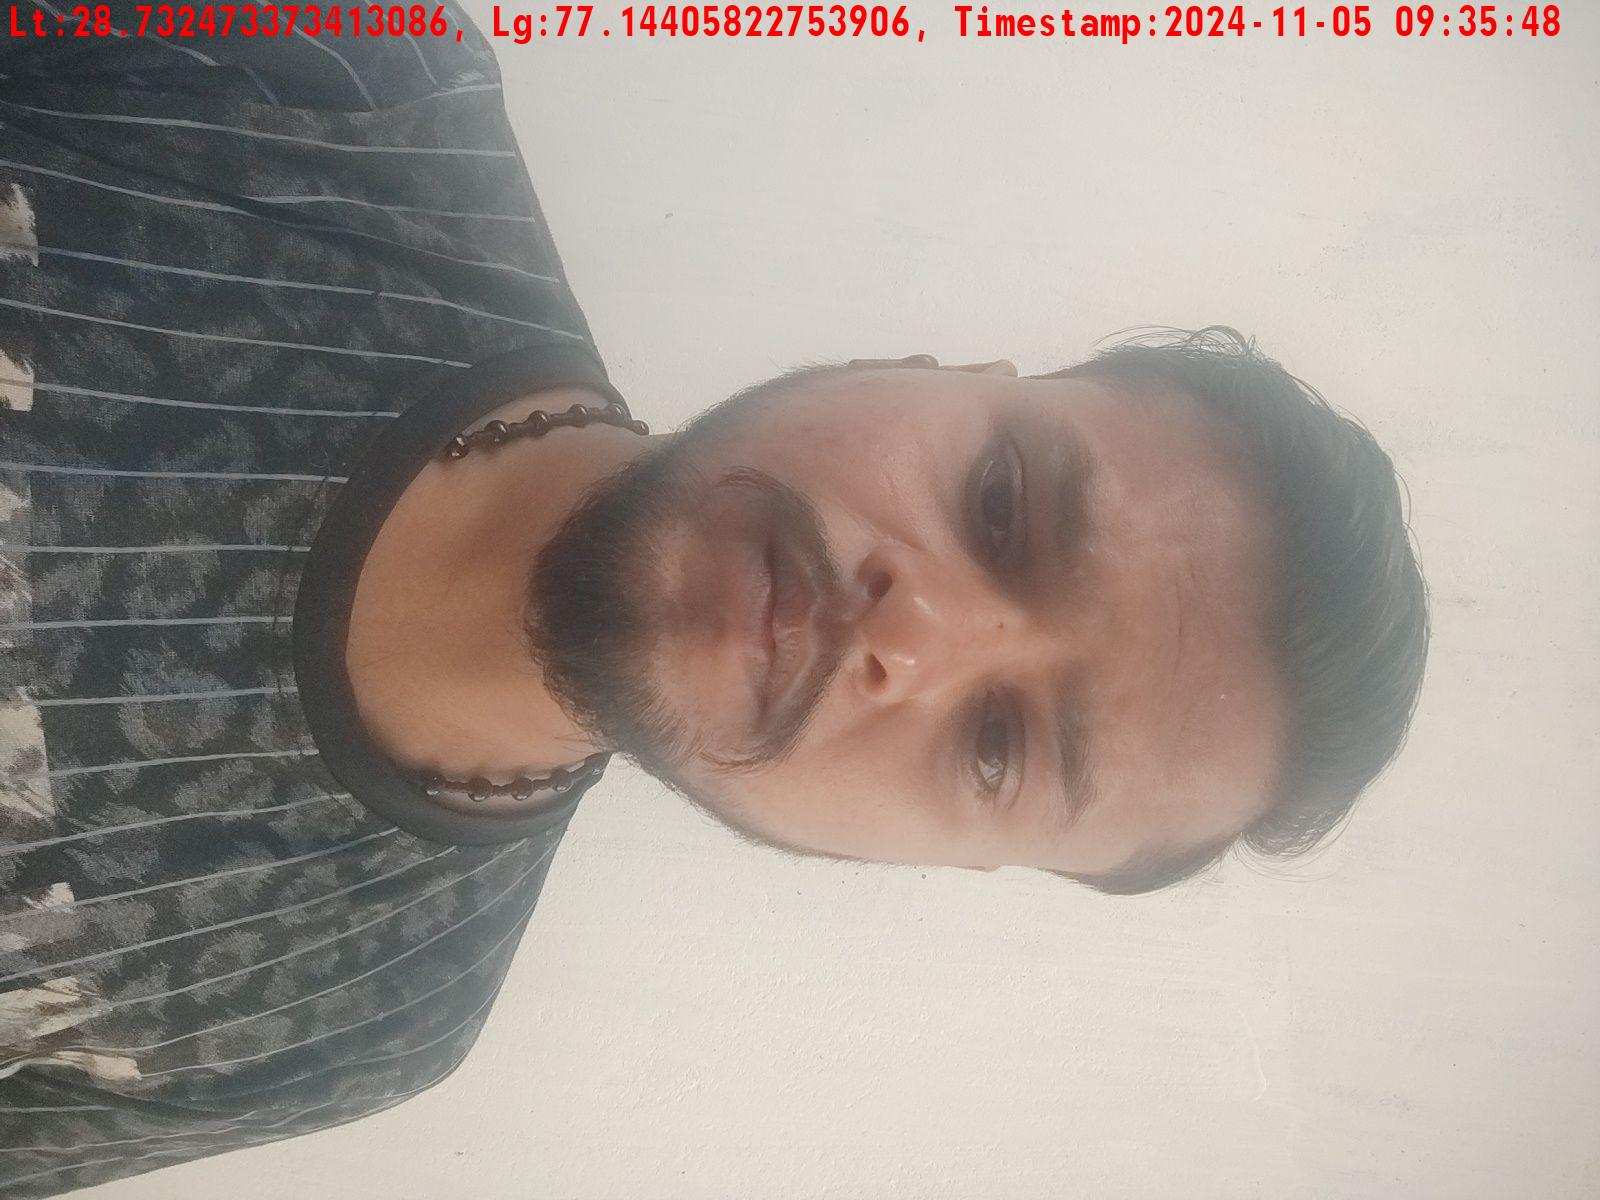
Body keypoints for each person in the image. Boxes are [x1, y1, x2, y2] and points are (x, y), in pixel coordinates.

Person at [0, 7, 1429, 1194]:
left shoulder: (365, 1020)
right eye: (1001, 504)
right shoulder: (343, 77)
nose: (911, 636)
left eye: (999, 747)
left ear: (940, 866)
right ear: (944, 375)